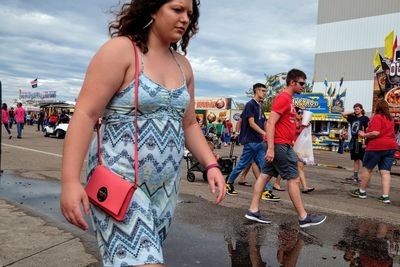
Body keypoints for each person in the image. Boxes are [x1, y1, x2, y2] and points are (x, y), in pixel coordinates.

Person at [60, 1, 225, 266]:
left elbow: (190, 124)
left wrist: (211, 164)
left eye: (189, 14)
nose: (185, 19)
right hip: (118, 180)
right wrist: (70, 181)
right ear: (152, 8)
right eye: (177, 9)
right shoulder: (121, 51)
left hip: (164, 188)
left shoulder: (184, 66)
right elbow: (85, 114)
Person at [245, 69, 326, 227]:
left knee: (264, 176)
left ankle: (253, 210)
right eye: (302, 83)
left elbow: (285, 123)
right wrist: (270, 148)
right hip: (280, 145)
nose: (304, 86)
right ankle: (304, 218)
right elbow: (270, 123)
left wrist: (300, 124)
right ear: (292, 82)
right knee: (294, 179)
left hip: (282, 143)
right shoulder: (283, 98)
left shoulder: (289, 100)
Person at [225, 83, 278, 201]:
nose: (265, 93)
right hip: (251, 141)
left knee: (263, 166)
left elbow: (264, 122)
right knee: (242, 164)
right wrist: (264, 133)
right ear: (257, 91)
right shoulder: (250, 105)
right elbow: (251, 123)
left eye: (265, 91)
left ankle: (266, 191)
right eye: (263, 91)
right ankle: (228, 184)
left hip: (258, 141)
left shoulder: (259, 106)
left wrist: (271, 132)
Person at [350, 100, 397, 204]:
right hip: (391, 147)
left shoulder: (377, 117)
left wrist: (364, 135)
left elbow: (375, 132)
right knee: (385, 172)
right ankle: (385, 196)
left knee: (367, 169)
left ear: (377, 108)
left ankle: (362, 192)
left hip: (377, 147)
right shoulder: (390, 119)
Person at [342, 103, 369, 183]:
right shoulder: (352, 118)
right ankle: (355, 176)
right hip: (353, 141)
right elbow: (343, 114)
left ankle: (365, 176)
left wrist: (365, 142)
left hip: (361, 140)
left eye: (358, 109)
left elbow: (367, 130)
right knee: (355, 159)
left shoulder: (365, 118)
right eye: (355, 109)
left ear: (361, 109)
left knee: (364, 160)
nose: (356, 110)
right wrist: (352, 112)